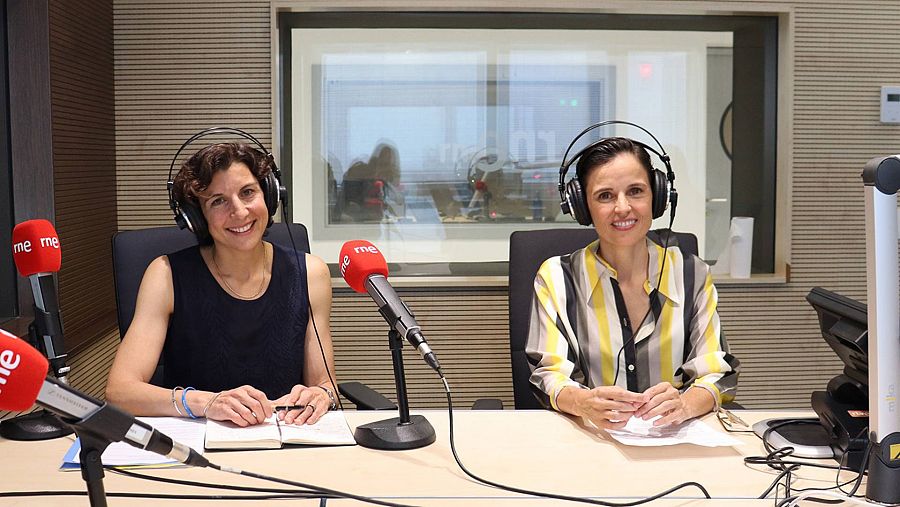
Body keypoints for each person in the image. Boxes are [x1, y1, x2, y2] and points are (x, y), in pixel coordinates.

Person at [107, 142, 337, 427]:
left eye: (248, 192)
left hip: (287, 437)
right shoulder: (165, 275)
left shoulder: (310, 273)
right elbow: (120, 392)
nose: (239, 211)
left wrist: (322, 395)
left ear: (270, 195)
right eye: (218, 201)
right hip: (198, 445)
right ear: (196, 218)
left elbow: (325, 383)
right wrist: (208, 402)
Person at [525, 137, 739, 431]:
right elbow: (549, 374)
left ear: (658, 197)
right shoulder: (557, 278)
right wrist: (582, 402)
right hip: (591, 440)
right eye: (605, 196)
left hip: (674, 441)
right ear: (582, 207)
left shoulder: (692, 274)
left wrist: (686, 403)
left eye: (636, 191)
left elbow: (716, 372)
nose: (622, 207)